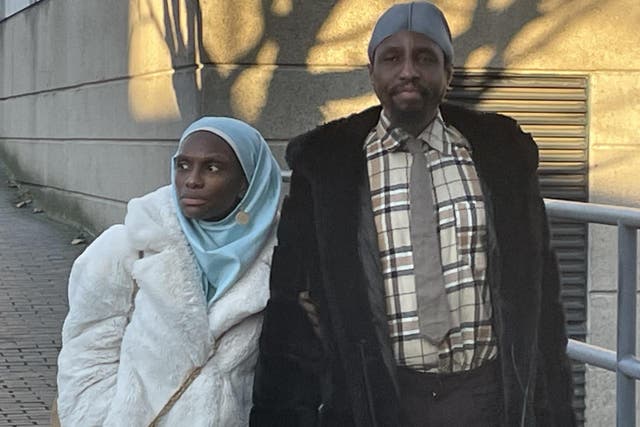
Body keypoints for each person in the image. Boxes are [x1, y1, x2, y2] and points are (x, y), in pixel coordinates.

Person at [250, 2, 576, 426]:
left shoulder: (501, 161)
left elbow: (542, 299)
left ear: (448, 74)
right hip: (381, 399)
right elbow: (291, 315)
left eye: (425, 57)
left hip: (486, 396)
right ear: (372, 73)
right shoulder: (328, 171)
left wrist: (559, 412)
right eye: (392, 58)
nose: (408, 71)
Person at [56, 117, 281, 426]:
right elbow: (86, 350)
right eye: (183, 165)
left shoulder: (279, 258)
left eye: (212, 168)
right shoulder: (128, 246)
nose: (192, 180)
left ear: (246, 182)